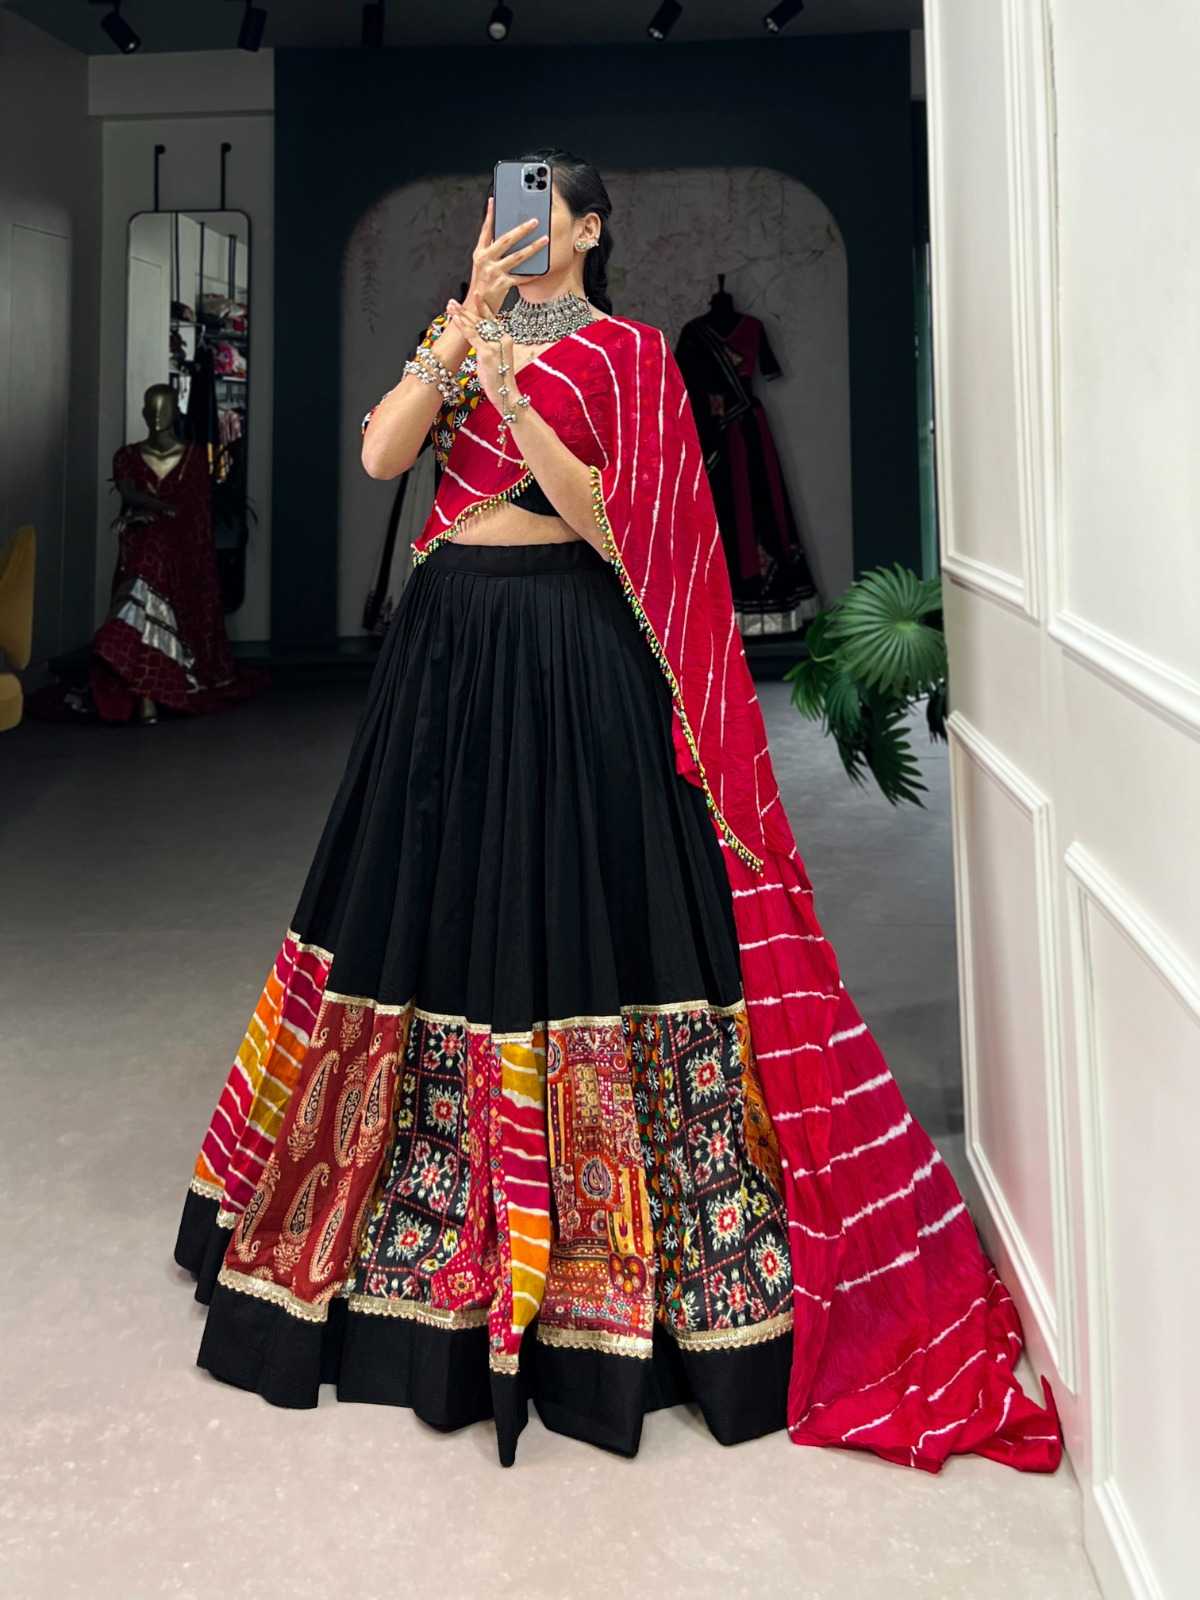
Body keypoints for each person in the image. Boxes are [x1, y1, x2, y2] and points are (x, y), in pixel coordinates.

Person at [173, 148, 1063, 1473]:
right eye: (502, 208)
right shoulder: (464, 327)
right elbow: (379, 454)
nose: (516, 225)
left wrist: (518, 398)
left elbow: (617, 525)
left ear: (589, 229)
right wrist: (462, 339)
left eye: (542, 209)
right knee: (424, 907)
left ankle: (607, 1252)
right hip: (447, 647)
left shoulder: (634, 355)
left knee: (580, 903)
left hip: (571, 647)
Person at [89, 385, 255, 723]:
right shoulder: (127, 457)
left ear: (174, 412)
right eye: (150, 408)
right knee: (148, 559)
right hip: (145, 546)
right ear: (142, 411)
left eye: (163, 408)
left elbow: (195, 515)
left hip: (182, 550)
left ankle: (148, 691)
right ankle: (143, 688)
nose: (156, 415)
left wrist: (159, 512)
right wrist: (154, 510)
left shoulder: (194, 458)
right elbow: (129, 494)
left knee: (155, 559)